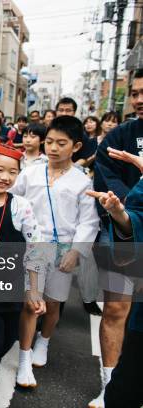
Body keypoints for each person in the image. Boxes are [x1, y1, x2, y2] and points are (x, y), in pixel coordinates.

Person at [11, 116, 99, 380]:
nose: (53, 148)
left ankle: (44, 340)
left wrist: (76, 251)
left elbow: (88, 220)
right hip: (34, 245)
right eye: (49, 141)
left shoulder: (82, 181)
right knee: (31, 303)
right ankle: (24, 359)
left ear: (76, 146)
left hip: (63, 249)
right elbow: (13, 199)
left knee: (53, 303)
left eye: (62, 143)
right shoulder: (31, 172)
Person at [89, 68, 143, 408]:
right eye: (135, 93)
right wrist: (125, 207)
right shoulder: (122, 135)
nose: (138, 99)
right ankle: (111, 384)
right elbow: (105, 175)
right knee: (116, 310)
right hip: (126, 230)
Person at [0, 141, 45, 406]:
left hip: (12, 283)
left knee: (8, 338)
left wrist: (34, 288)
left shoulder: (21, 206)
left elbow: (35, 249)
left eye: (12, 172)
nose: (5, 177)